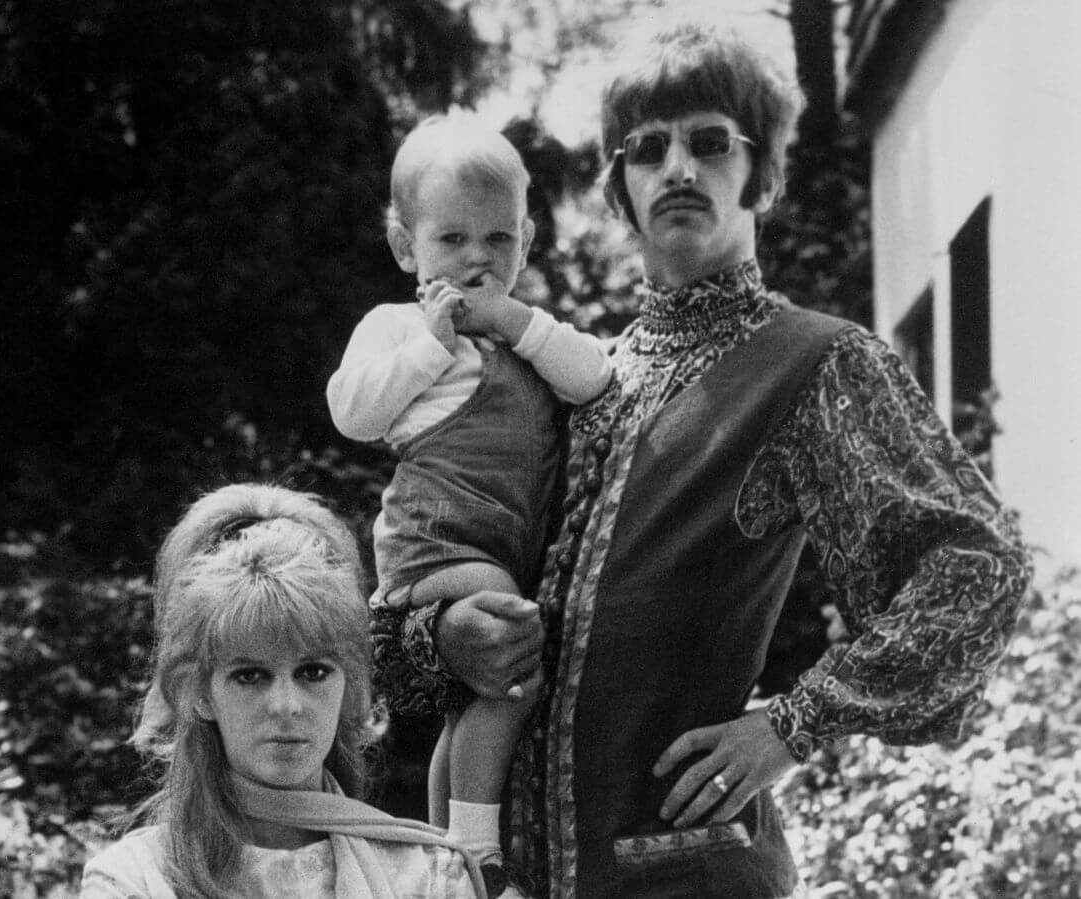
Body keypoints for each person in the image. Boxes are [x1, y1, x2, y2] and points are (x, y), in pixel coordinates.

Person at [370, 21, 1033, 899]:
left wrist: (791, 725)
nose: (677, 167)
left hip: (690, 872)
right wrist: (450, 637)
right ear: (619, 190)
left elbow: (977, 566)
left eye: (710, 141)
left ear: (760, 173)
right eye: (647, 149)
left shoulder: (815, 363)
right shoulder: (564, 378)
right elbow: (422, 596)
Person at [327, 116, 611, 892]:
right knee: (517, 671)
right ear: (405, 248)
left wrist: (515, 322)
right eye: (453, 239)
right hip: (436, 538)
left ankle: (441, 863)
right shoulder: (396, 326)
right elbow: (352, 412)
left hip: (498, 546)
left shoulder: (528, 337)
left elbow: (594, 379)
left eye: (500, 239)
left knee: (472, 704)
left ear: (526, 241)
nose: (478, 259)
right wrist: (431, 341)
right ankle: (477, 853)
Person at [79, 483, 491, 899]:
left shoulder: (428, 877)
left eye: (312, 672)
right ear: (199, 692)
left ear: (349, 683)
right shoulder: (135, 879)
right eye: (250, 676)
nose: (287, 706)